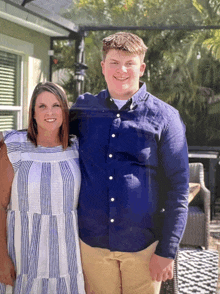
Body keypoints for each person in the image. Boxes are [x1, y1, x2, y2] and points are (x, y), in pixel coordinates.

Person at [69, 32, 189, 294]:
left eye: (129, 63)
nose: (121, 70)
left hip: (143, 249)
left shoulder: (166, 117)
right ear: (103, 67)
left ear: (141, 68)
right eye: (113, 62)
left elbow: (178, 190)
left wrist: (167, 251)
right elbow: (47, 132)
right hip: (92, 246)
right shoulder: (83, 110)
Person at [0, 82, 85, 294]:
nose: (50, 112)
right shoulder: (14, 147)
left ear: (65, 111)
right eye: (42, 106)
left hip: (68, 260)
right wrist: (1, 256)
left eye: (56, 105)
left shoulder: (78, 148)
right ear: (33, 113)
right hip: (22, 258)